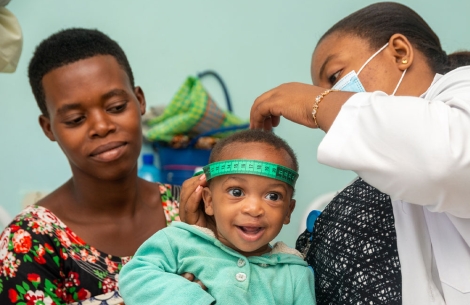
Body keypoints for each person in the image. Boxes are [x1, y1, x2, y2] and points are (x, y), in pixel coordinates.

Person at [182, 2, 470, 305]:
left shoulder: (461, 93)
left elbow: (450, 162)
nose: (331, 95)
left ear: (400, 52)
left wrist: (316, 102)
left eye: (334, 77)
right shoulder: (390, 168)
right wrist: (216, 247)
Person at [0, 28, 181, 305]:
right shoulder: (30, 242)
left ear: (140, 101)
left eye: (117, 106)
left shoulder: (193, 208)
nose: (101, 126)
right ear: (49, 128)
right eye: (75, 119)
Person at [119, 129, 316, 305]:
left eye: (273, 196)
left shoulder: (294, 275)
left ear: (288, 211)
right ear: (209, 202)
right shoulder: (178, 242)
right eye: (237, 192)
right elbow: (134, 276)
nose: (254, 209)